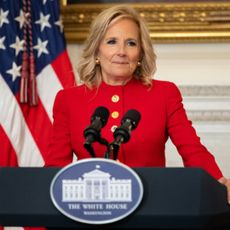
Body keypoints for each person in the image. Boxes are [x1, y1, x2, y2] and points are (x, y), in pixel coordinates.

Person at [45, 5, 230, 203]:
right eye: (112, 42)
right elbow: (56, 166)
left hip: (153, 205)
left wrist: (218, 183)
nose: (122, 51)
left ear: (141, 54)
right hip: (91, 208)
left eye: (131, 43)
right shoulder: (68, 99)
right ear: (97, 51)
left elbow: (191, 148)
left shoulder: (164, 94)